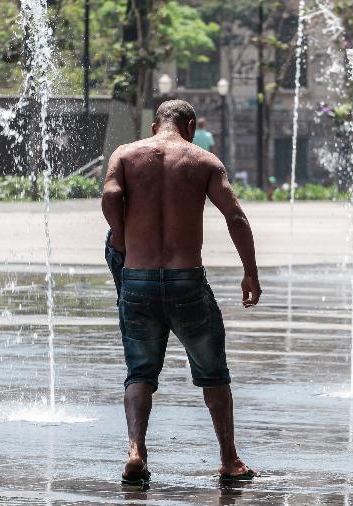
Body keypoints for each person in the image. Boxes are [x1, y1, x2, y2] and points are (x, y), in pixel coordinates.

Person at [102, 99, 262, 486]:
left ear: (156, 124)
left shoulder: (125, 154)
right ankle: (229, 460)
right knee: (213, 373)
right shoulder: (204, 161)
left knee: (140, 371)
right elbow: (236, 217)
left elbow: (110, 196)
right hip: (186, 280)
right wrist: (250, 274)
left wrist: (122, 236)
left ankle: (136, 451)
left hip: (137, 278)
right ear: (190, 125)